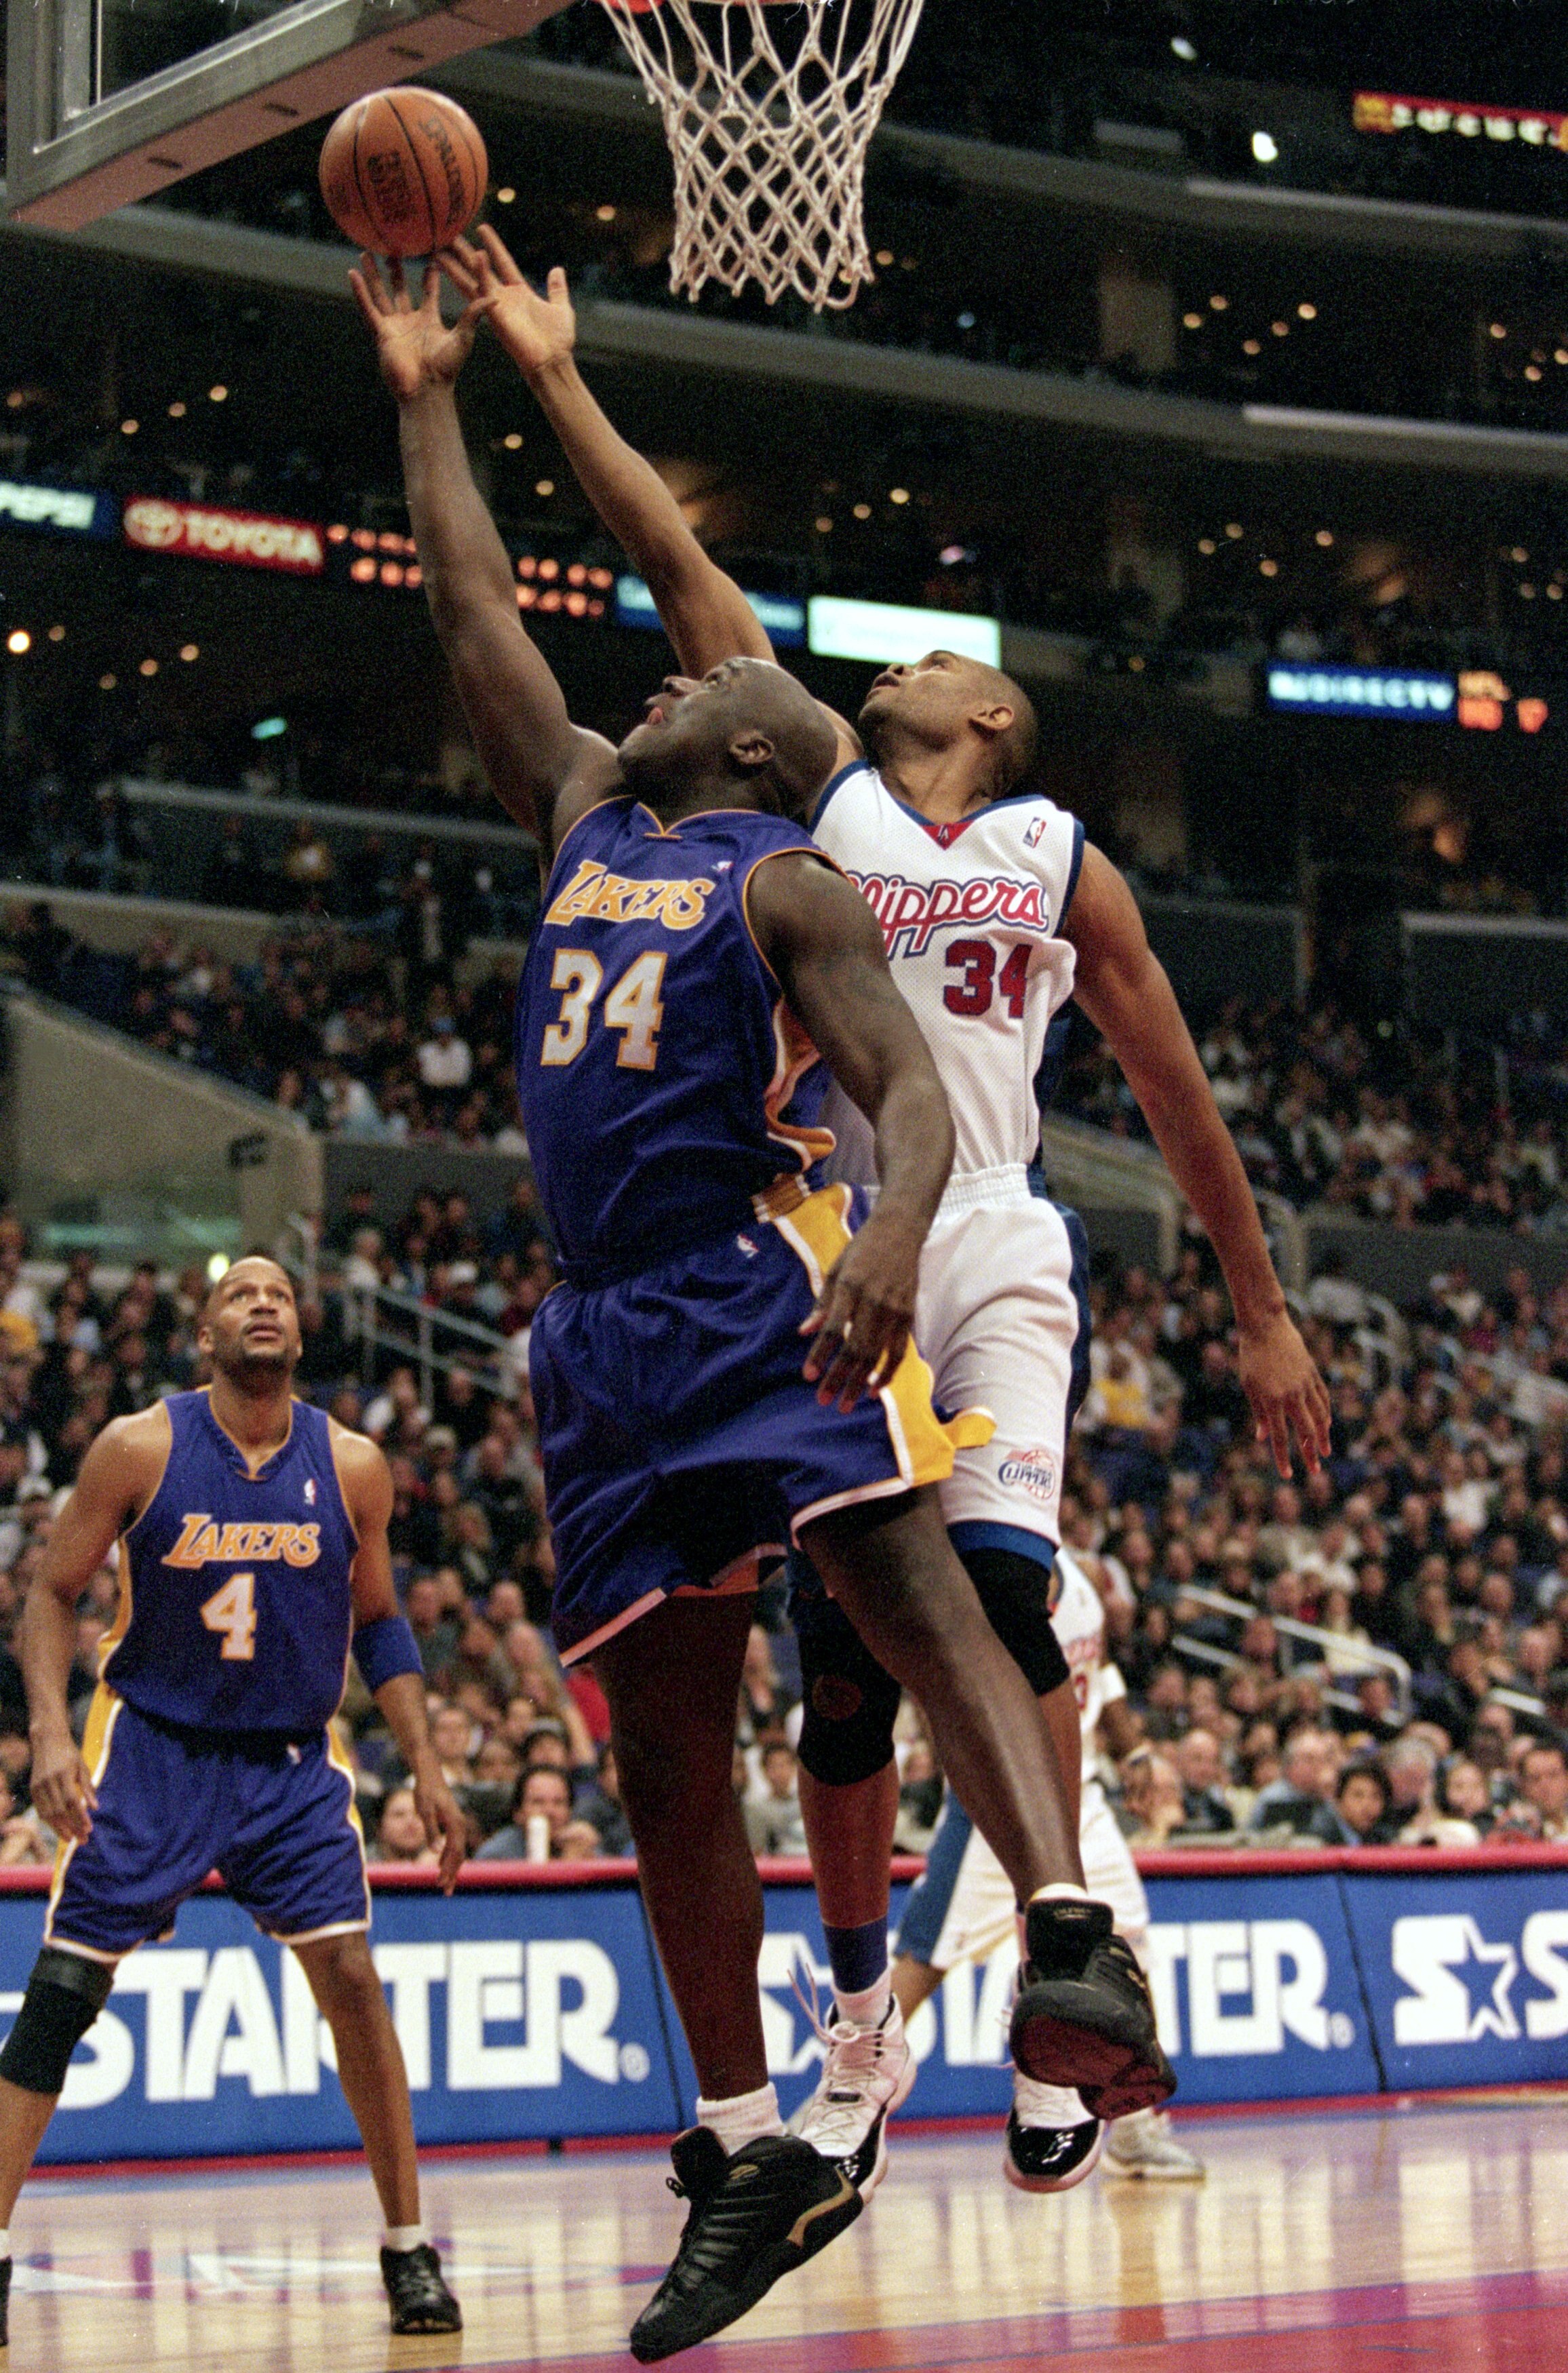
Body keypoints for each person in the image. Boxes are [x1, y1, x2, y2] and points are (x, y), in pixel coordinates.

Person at [448, 229, 1327, 2203]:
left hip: (986, 1223)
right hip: (813, 1232)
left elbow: (1177, 1093)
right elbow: (667, 558)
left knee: (998, 1609)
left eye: (931, 654)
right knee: (841, 1674)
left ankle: (1057, 1998)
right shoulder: (822, 795)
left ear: (991, 712)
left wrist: (1258, 1302)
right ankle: (861, 2012)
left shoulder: (1060, 856)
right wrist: (548, 367)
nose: (891, 662)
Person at [357, 252, 1173, 2365]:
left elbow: (907, 1083)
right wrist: (427, 393)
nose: (651, 683)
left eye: (685, 685)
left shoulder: (786, 872)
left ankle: (1064, 1927)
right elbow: (473, 614)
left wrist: (889, 1239)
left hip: (741, 1277)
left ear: (744, 739)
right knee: (657, 1738)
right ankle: (746, 2141)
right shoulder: (579, 814)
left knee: (901, 1584)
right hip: (586, 1334)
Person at [0, 1257, 465, 2344]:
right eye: (240, 1294)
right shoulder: (139, 1446)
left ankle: (408, 2246)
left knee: (353, 1977)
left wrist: (428, 1763)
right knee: (63, 1993)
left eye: (281, 1294)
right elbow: (52, 1590)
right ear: (204, 1334)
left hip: (291, 1761)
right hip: (153, 1748)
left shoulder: (351, 1463)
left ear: (300, 1331)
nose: (264, 1302)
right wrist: (53, 1733)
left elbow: (381, 1622)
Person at [891, 1548, 1204, 2186]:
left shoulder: (1084, 1568)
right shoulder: (977, 1565)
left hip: (1082, 1796)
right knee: (925, 1958)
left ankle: (1135, 2128)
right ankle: (843, 2096)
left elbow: (1101, 1671)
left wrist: (1134, 1750)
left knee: (1129, 1951)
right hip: (1003, 1798)